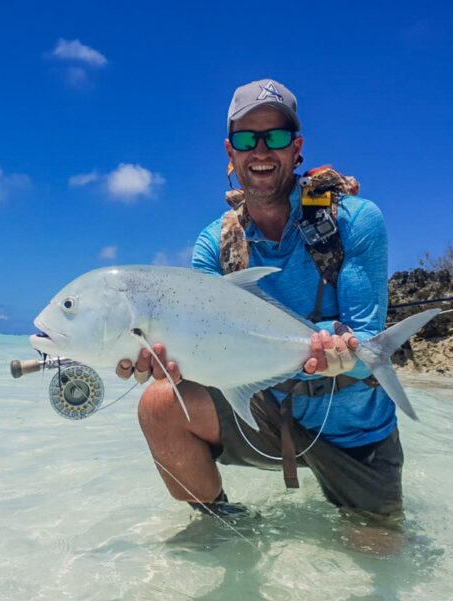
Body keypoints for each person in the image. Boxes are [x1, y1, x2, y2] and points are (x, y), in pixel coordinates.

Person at [116, 79, 403, 523]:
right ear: (230, 152)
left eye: (277, 137)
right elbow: (203, 349)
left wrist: (346, 353)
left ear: (297, 147)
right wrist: (161, 358)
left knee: (382, 564)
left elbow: (366, 342)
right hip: (264, 413)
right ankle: (223, 523)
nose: (262, 150)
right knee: (159, 402)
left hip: (355, 429)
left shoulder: (354, 219)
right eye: (248, 139)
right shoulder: (214, 244)